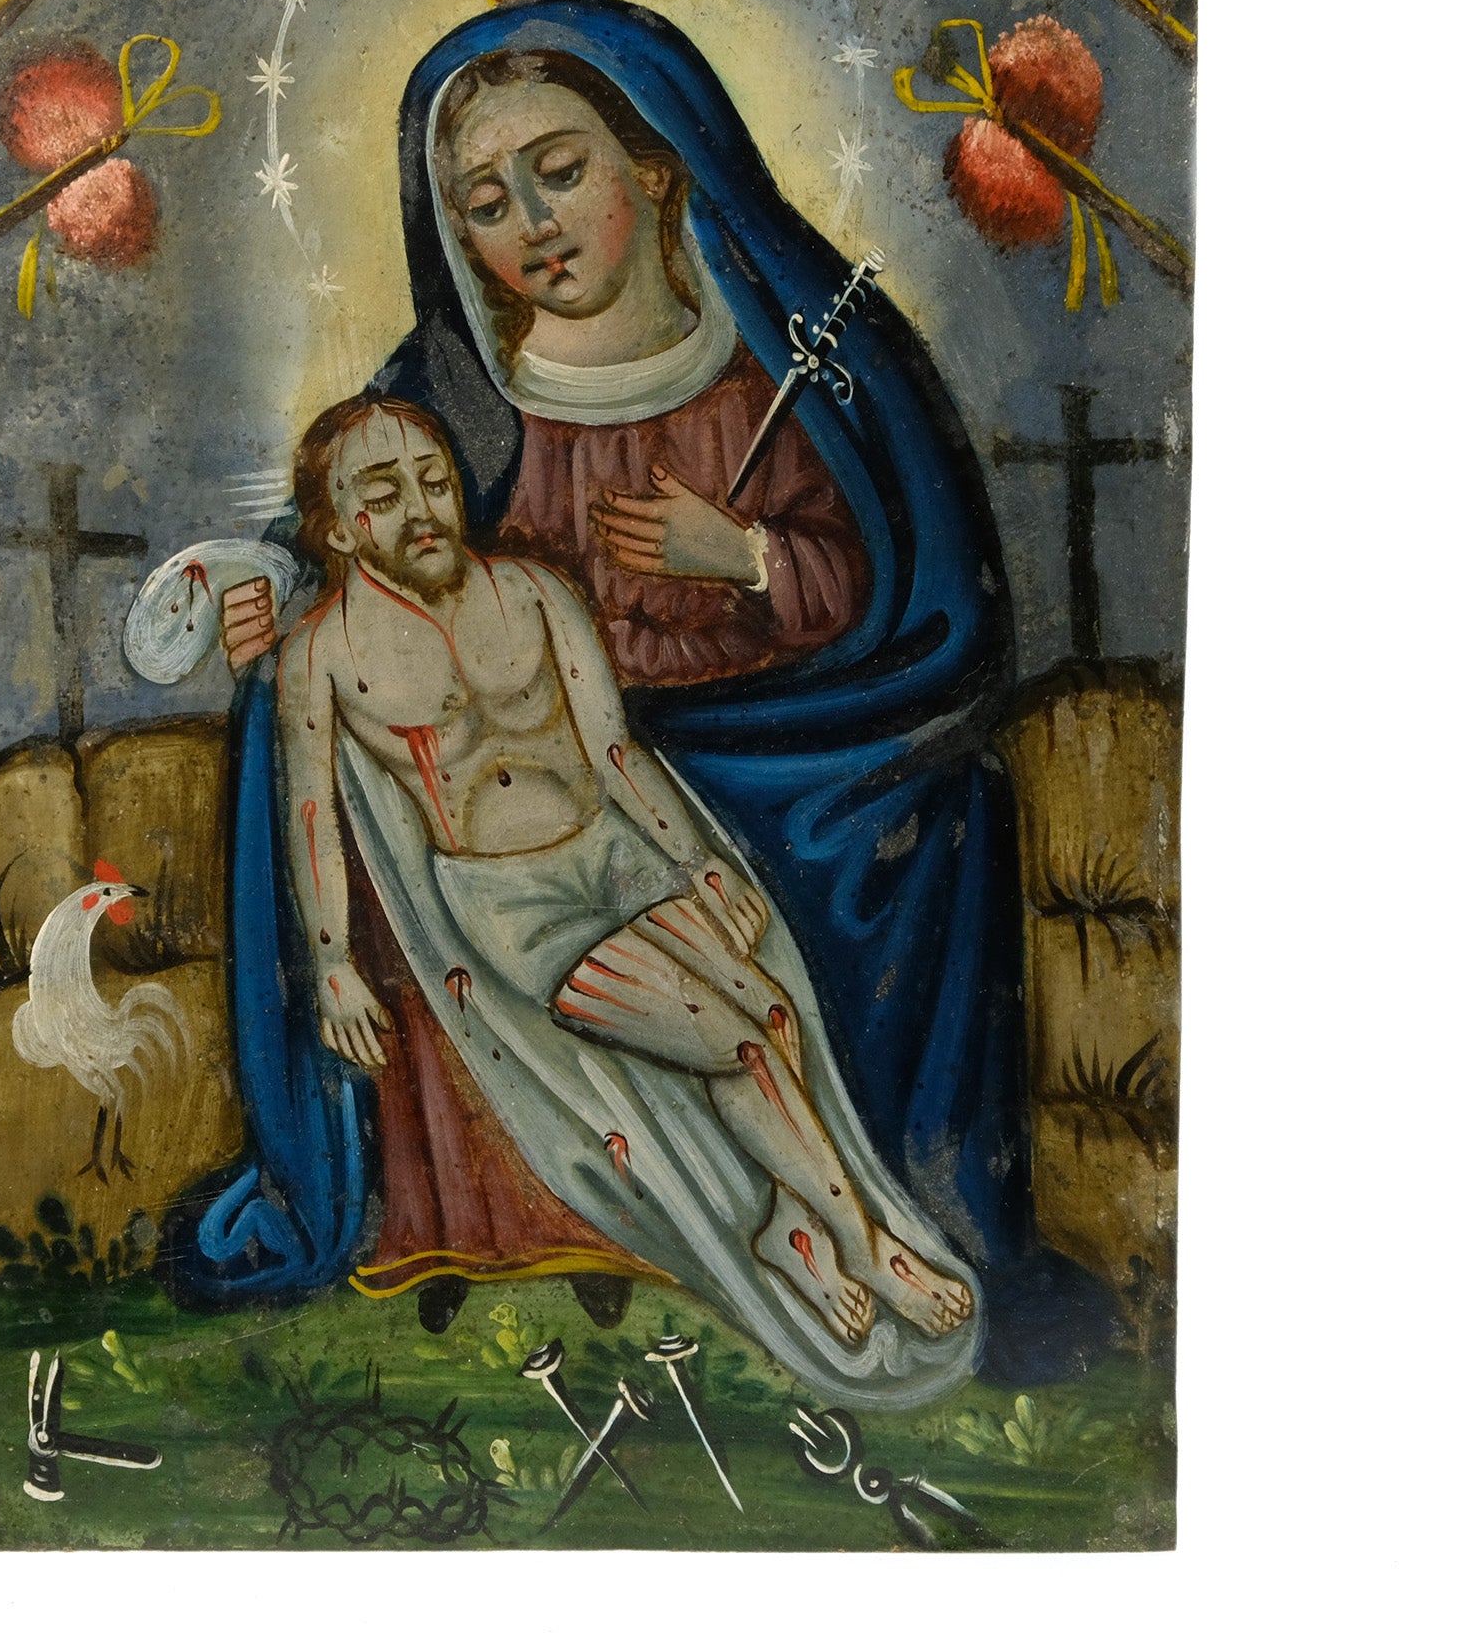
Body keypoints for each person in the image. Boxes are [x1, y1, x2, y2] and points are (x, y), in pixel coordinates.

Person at [191, 0, 1112, 1382]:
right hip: (565, 778)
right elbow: (341, 525)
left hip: (783, 740)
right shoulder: (460, 389)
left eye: (561, 172)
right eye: (484, 203)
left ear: (660, 168)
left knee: (939, 817)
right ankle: (752, 1228)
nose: (530, 226)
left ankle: (855, 1218)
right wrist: (266, 590)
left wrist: (741, 554)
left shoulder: (787, 368)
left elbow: (905, 584)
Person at [270, 391, 977, 1403]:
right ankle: (866, 1246)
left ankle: (792, 1230)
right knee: (736, 1040)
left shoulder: (533, 594)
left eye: (433, 482)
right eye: (382, 495)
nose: (420, 511)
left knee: (772, 1013)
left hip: (617, 858)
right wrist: (334, 960)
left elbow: (613, 751)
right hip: (518, 908)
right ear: (338, 528)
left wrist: (697, 862)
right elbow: (311, 813)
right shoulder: (322, 655)